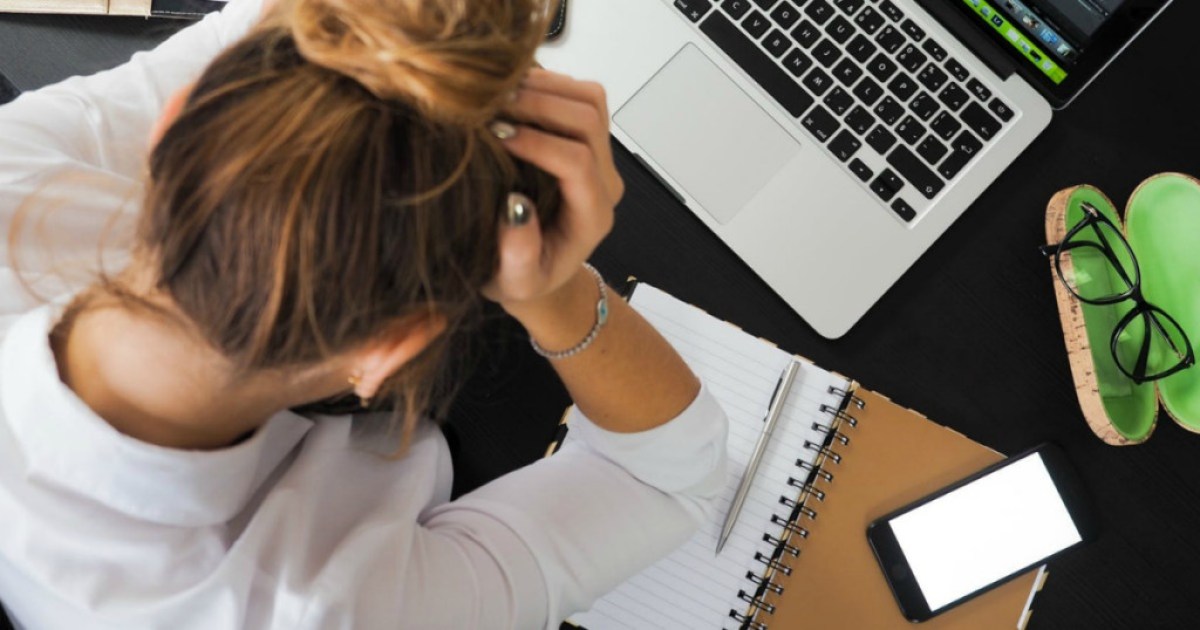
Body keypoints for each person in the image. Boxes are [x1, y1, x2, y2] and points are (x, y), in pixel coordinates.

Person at [0, 0, 729, 627]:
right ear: (388, 354)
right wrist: (556, 290)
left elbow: (256, 32)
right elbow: (666, 476)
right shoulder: (329, 611)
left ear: (171, 127)